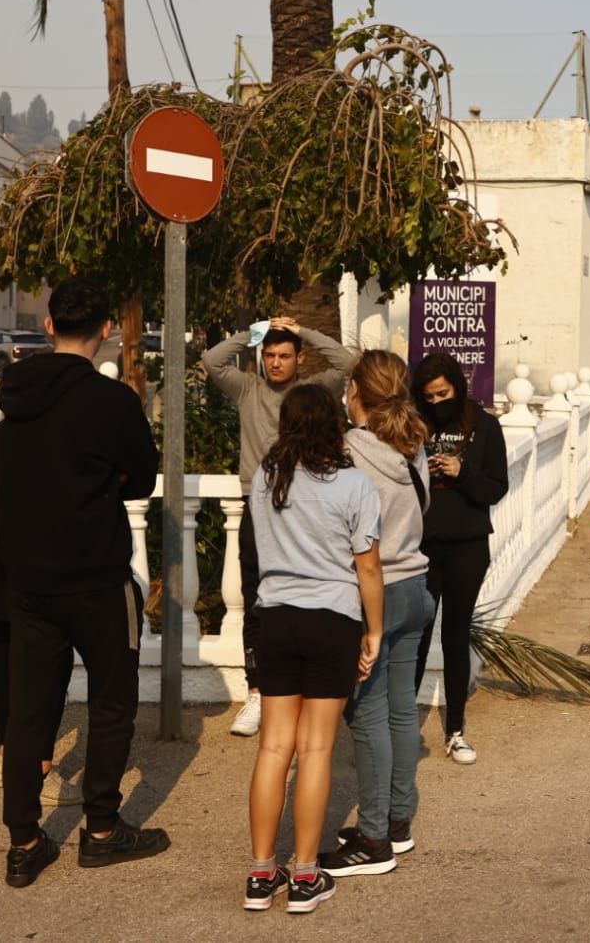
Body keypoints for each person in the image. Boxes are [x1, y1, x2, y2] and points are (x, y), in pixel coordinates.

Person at [0, 277, 167, 888]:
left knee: (31, 711)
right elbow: (142, 478)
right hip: (96, 576)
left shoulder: (13, 394)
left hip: (28, 580)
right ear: (107, 330)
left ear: (48, 325)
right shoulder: (112, 403)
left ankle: (24, 842)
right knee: (113, 702)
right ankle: (103, 831)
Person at [244, 385, 384, 915]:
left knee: (273, 748)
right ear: (333, 424)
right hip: (332, 619)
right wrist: (374, 630)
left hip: (276, 618)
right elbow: (368, 567)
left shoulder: (267, 477)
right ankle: (304, 874)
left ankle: (261, 872)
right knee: (317, 750)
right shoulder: (353, 484)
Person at [203, 317, 356, 737]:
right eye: (269, 355)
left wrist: (302, 329)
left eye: (284, 355)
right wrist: (258, 329)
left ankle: (304, 692)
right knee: (256, 597)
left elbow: (348, 364)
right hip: (259, 505)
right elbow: (212, 360)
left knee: (305, 597)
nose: (275, 362)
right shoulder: (248, 388)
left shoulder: (313, 391)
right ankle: (257, 692)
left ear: (299, 358)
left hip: (308, 505)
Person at [320, 351, 435, 876]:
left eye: (349, 387)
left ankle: (371, 837)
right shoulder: (413, 447)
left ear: (358, 393)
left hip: (375, 590)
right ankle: (396, 820)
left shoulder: (348, 453)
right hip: (415, 583)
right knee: (401, 710)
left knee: (367, 715)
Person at [0, 426, 80, 810]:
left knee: (5, 656)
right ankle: (39, 765)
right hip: (40, 572)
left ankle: (7, 754)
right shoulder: (55, 439)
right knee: (51, 662)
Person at [410, 353, 510, 765]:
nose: (437, 403)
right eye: (429, 397)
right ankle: (402, 730)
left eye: (443, 394)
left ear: (457, 386)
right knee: (414, 636)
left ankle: (455, 730)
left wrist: (460, 470)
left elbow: (496, 487)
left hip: (467, 545)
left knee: (455, 635)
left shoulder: (484, 425)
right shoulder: (414, 425)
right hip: (420, 546)